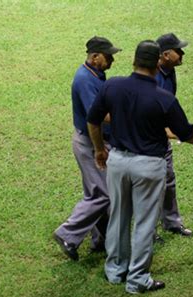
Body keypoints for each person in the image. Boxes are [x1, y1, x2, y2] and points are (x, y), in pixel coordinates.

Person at [87, 40, 193, 294]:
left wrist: (99, 149)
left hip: (118, 161)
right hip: (148, 166)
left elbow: (92, 120)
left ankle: (115, 271)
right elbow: (186, 134)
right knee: (145, 223)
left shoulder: (112, 86)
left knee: (118, 217)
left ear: (134, 61)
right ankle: (137, 279)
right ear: (157, 64)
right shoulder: (163, 98)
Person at [53, 36, 121, 261]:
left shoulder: (96, 75)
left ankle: (101, 241)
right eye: (108, 56)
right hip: (90, 143)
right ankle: (67, 234)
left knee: (101, 192)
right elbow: (100, 116)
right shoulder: (84, 80)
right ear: (94, 56)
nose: (111, 60)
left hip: (95, 141)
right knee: (103, 193)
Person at [155, 33, 193, 239]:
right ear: (165, 54)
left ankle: (171, 222)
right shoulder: (152, 76)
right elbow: (146, 113)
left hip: (164, 138)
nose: (182, 53)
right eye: (178, 51)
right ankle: (150, 231)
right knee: (153, 186)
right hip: (149, 140)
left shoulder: (169, 72)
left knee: (168, 180)